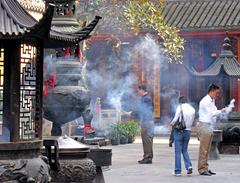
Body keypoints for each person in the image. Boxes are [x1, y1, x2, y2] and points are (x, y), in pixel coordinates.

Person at [197, 84, 225, 176]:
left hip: (209, 126)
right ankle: (202, 169)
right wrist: (221, 111)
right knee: (203, 149)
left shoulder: (212, 101)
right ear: (212, 91)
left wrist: (220, 111)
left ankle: (205, 167)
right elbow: (211, 114)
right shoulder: (205, 101)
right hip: (204, 125)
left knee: (207, 149)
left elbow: (214, 112)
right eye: (217, 93)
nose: (218, 95)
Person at [170, 96, 195, 176]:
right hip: (188, 131)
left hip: (179, 131)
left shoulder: (179, 107)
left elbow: (175, 118)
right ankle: (189, 166)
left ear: (180, 102)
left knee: (177, 152)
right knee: (184, 150)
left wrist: (170, 124)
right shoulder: (192, 109)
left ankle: (178, 171)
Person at [137, 84, 154, 164]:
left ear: (141, 90)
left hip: (146, 122)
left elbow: (142, 110)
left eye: (138, 90)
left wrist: (132, 113)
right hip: (149, 121)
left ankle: (147, 157)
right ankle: (148, 157)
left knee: (146, 140)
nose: (138, 92)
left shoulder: (145, 98)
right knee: (149, 140)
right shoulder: (148, 98)